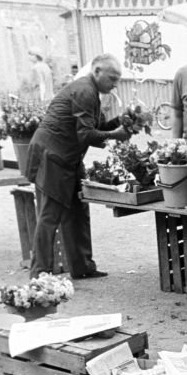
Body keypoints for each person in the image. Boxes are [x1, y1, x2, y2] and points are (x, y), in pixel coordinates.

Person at [26, 53, 130, 279]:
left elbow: (98, 126)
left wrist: (123, 120)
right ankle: (39, 274)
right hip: (53, 157)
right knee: (49, 215)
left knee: (77, 211)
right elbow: (86, 135)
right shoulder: (85, 90)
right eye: (112, 78)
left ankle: (82, 267)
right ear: (97, 72)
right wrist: (116, 134)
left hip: (67, 158)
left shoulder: (92, 91)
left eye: (117, 79)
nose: (115, 84)